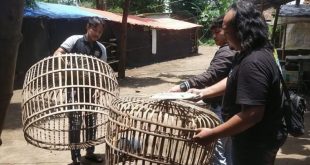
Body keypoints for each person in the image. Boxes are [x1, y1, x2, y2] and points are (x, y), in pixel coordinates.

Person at [189, 1, 287, 165]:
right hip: (255, 138)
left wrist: (213, 134)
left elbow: (252, 114)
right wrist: (203, 92)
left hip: (254, 142)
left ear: (241, 31)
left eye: (226, 32)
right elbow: (235, 79)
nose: (225, 38)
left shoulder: (253, 62)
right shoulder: (252, 53)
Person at [169, 16, 235, 165]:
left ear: (228, 31)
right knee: (228, 151)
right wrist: (203, 93)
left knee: (217, 153)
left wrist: (183, 85)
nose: (214, 36)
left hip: (221, 108)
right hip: (228, 107)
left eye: (218, 32)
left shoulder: (226, 52)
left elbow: (211, 75)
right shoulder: (231, 51)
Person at [54, 16, 106, 165]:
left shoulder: (101, 49)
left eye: (100, 32)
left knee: (91, 122)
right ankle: (76, 157)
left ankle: (90, 153)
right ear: (87, 27)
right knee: (75, 123)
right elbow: (58, 53)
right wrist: (65, 63)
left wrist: (99, 88)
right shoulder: (74, 40)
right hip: (74, 89)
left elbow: (103, 72)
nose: (97, 34)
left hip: (91, 91)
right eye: (94, 29)